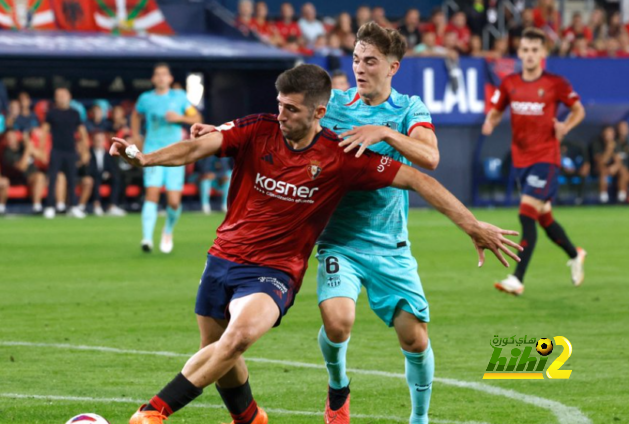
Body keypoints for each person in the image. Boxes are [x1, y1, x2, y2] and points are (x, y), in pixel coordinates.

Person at [112, 64, 521, 424]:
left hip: (275, 271)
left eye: (291, 109)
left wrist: (472, 226)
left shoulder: (340, 157)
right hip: (222, 258)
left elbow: (419, 178)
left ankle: (153, 412)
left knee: (235, 339)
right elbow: (199, 145)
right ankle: (250, 419)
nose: (281, 114)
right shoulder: (258, 129)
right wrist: (146, 159)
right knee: (218, 353)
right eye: (280, 104)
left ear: (318, 113)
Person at [313, 21, 439, 423]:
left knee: (415, 338)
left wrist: (384, 130)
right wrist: (225, 132)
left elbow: (430, 157)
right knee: (338, 323)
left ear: (392, 67)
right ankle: (338, 387)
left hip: (390, 245)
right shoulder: (332, 104)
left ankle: (418, 419)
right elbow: (283, 120)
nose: (360, 68)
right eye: (355, 59)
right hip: (339, 240)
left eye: (370, 61)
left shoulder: (409, 109)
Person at [483, 28, 587, 295]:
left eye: (534, 50)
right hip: (521, 160)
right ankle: (575, 254)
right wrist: (490, 122)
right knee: (545, 218)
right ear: (519, 53)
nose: (529, 55)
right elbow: (496, 110)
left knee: (526, 214)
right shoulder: (509, 83)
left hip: (546, 158)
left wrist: (565, 126)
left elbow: (579, 110)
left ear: (543, 54)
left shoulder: (556, 83)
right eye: (525, 50)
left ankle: (517, 279)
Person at [131, 63, 201, 253]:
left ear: (170, 79)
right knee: (152, 194)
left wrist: (180, 118)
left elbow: (197, 119)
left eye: (164, 74)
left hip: (175, 153)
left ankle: (168, 230)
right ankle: (146, 239)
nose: (161, 77)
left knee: (174, 202)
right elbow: (136, 115)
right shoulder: (146, 98)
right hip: (153, 152)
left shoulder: (179, 98)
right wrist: (136, 135)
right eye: (157, 74)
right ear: (153, 79)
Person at [41, 87, 89, 219]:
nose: (61, 97)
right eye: (59, 95)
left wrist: (85, 150)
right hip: (56, 150)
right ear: (55, 98)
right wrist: (42, 150)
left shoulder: (75, 113)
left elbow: (82, 133)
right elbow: (44, 131)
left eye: (64, 95)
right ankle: (50, 206)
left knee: (72, 180)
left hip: (70, 150)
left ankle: (73, 206)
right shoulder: (51, 113)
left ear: (69, 96)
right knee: (53, 179)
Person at [0, 129, 47, 214]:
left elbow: (44, 159)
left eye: (12, 137)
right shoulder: (7, 152)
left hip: (31, 177)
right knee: (4, 182)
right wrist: (28, 150)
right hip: (17, 179)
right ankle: (1, 209)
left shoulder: (23, 146)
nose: (10, 139)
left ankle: (37, 207)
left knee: (40, 177)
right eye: (8, 138)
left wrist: (29, 145)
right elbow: (22, 167)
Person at [89, 131, 126, 216]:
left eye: (101, 140)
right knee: (96, 178)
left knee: (116, 178)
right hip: (94, 176)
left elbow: (113, 168)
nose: (99, 142)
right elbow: (89, 169)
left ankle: (112, 206)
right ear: (93, 141)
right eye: (97, 140)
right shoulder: (89, 153)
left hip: (106, 177)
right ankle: (96, 205)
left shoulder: (108, 153)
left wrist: (108, 173)